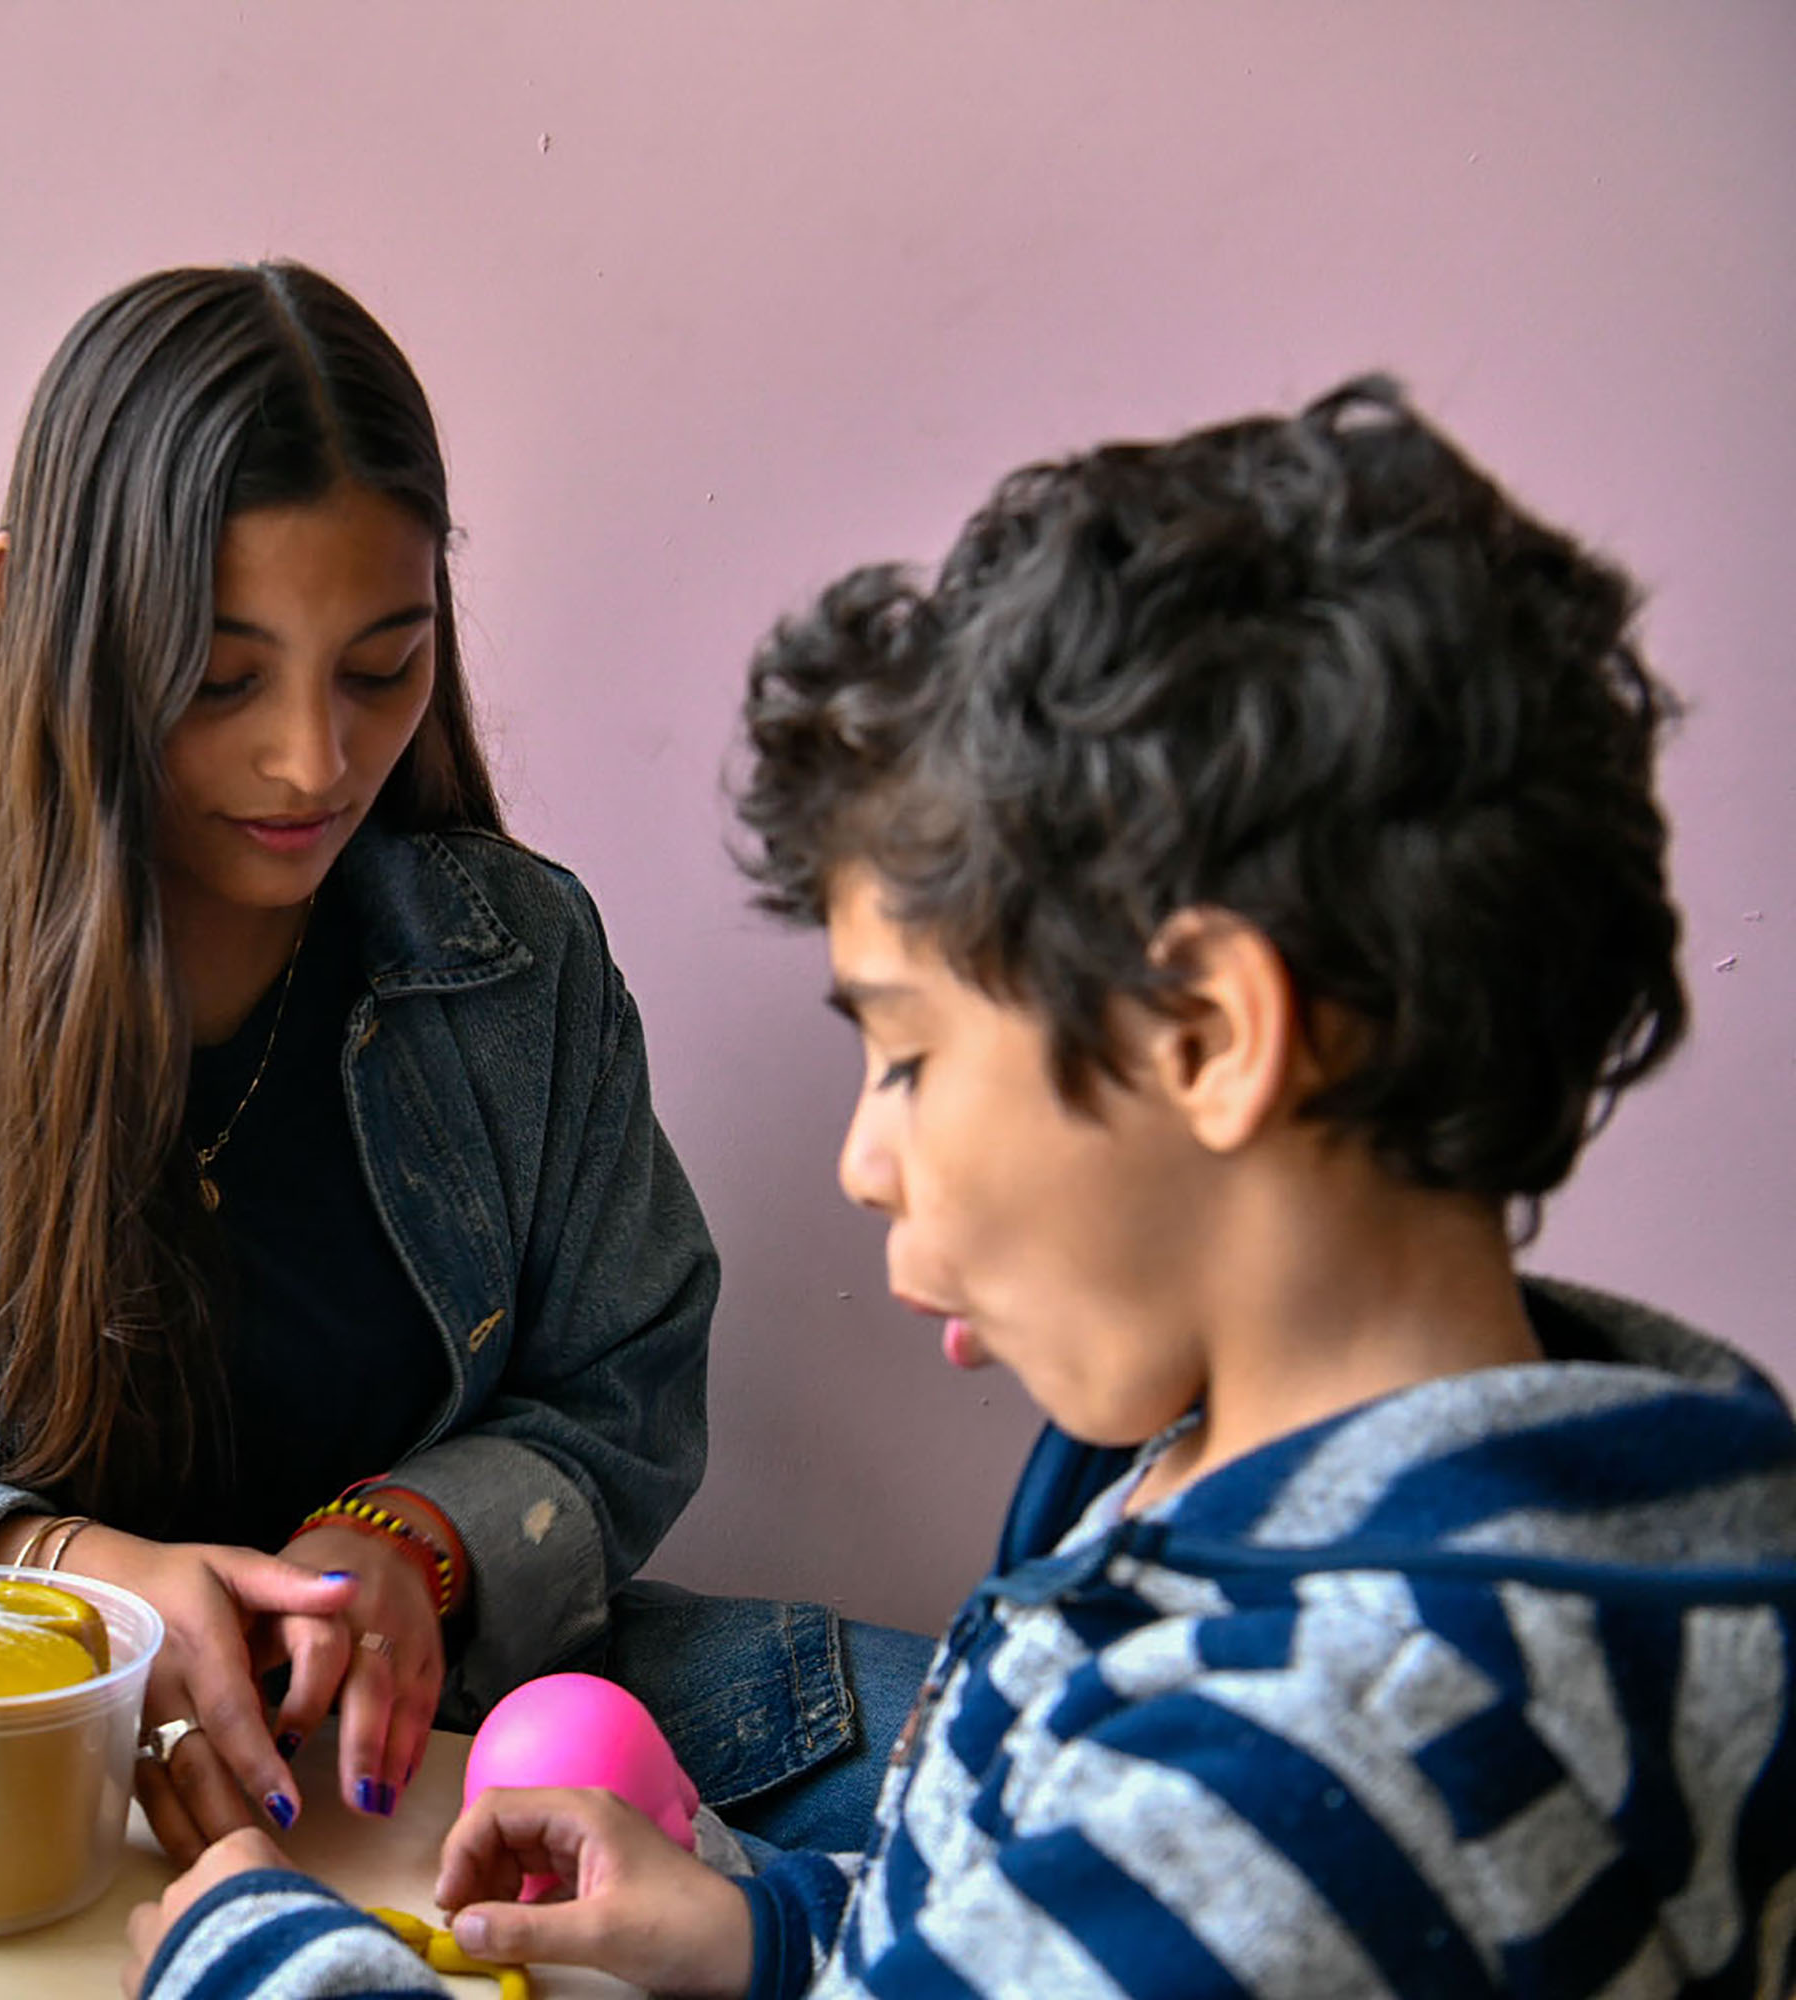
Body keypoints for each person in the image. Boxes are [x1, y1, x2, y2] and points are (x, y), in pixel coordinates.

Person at [122, 377, 1796, 1998]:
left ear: (1210, 1034)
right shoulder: (1535, 1479)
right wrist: (777, 1934)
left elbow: (1194, 1889)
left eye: (911, 1055)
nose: (864, 1155)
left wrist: (259, 1961)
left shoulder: (1321, 1775)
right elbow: (1055, 1910)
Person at [0, 260, 929, 1864]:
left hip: (453, 1748)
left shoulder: (515, 962)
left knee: (1061, 1792)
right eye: (218, 679)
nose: (313, 760)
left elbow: (621, 1387)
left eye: (381, 664)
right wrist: (50, 1575)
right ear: (20, 611)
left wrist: (413, 1544)